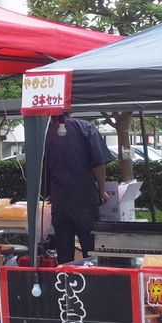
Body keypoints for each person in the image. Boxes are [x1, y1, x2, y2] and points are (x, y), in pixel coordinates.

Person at [42, 113, 115, 263]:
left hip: (60, 203)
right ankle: (93, 285)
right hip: (85, 200)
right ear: (70, 111)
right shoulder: (85, 127)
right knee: (92, 252)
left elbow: (42, 172)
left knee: (64, 256)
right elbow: (99, 163)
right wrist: (102, 190)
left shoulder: (45, 134)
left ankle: (65, 284)